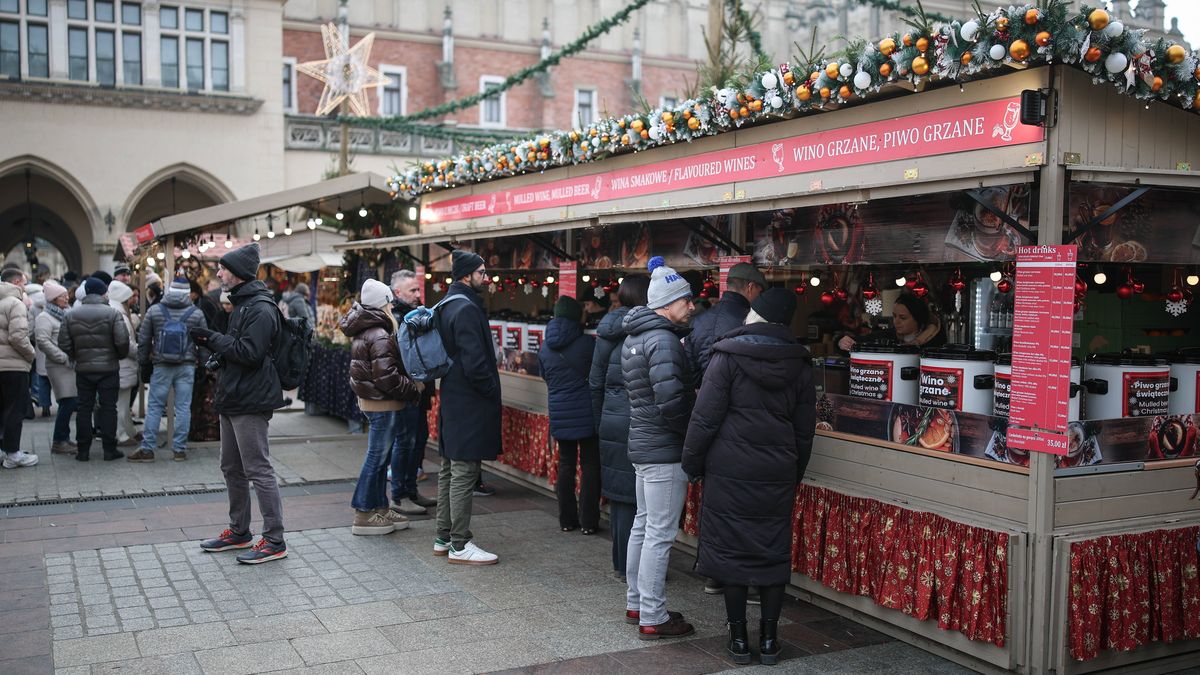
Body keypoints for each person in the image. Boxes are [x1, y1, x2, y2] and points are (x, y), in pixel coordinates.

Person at [682, 288, 816, 665]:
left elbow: (704, 418)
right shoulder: (801, 363)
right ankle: (771, 641)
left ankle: (739, 640)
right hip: (776, 471)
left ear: (753, 314)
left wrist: (692, 463)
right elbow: (805, 431)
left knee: (732, 554)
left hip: (729, 469)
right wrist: (794, 474)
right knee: (772, 553)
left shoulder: (726, 357)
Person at [191, 243, 289, 564]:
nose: (218, 273)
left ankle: (274, 539)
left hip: (251, 398)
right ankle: (239, 531)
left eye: (223, 268)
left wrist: (210, 339)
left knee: (257, 469)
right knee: (231, 467)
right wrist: (218, 356)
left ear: (239, 274)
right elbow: (237, 348)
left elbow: (249, 352)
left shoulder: (260, 307)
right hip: (233, 396)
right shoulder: (242, 305)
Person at [621, 256, 696, 639]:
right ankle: (653, 614)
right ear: (668, 303)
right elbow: (671, 401)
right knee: (660, 533)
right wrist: (691, 435)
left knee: (643, 525)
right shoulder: (663, 339)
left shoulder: (635, 337)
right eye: (687, 299)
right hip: (664, 449)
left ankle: (637, 603)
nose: (692, 305)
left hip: (643, 444)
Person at [433, 250, 502, 565]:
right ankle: (460, 545)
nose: (485, 278)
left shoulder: (446, 305)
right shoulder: (467, 309)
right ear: (466, 274)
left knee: (449, 467)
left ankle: (443, 536)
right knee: (463, 470)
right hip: (470, 401)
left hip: (451, 396)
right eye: (481, 273)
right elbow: (475, 364)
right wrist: (490, 389)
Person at [341, 278, 423, 535]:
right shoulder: (379, 332)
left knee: (380, 456)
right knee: (376, 458)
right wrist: (413, 388)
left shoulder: (369, 328)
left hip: (375, 401)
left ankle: (378, 506)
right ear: (384, 304)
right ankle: (364, 511)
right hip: (382, 403)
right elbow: (386, 377)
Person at [589, 275, 650, 581]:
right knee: (641, 497)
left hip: (612, 421)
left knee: (620, 497)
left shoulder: (606, 331)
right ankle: (637, 567)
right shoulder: (650, 331)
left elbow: (595, 381)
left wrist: (602, 421)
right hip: (640, 422)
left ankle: (621, 564)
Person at [538, 295, 599, 534]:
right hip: (586, 414)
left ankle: (566, 520)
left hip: (560, 412)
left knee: (565, 465)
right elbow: (596, 376)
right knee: (591, 465)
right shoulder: (586, 344)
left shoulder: (545, 346)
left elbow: (545, 376)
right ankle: (589, 522)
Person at [131, 278, 208, 463]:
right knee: (183, 407)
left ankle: (148, 449)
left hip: (161, 365)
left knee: (155, 407)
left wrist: (144, 364)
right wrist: (204, 365)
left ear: (169, 291)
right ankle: (179, 450)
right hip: (186, 365)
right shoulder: (196, 313)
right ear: (187, 293)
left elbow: (143, 339)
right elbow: (205, 341)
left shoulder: (155, 311)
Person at [58, 277, 129, 462]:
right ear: (102, 292)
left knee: (84, 408)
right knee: (108, 408)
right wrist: (117, 355)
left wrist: (77, 354)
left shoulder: (71, 314)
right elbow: (123, 342)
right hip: (108, 369)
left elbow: (63, 342)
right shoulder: (113, 314)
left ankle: (83, 451)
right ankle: (109, 449)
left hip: (83, 369)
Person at [388, 270, 437, 516]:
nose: (418, 294)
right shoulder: (394, 317)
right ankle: (399, 495)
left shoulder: (416, 314)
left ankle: (411, 489)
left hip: (421, 388)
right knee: (404, 442)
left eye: (419, 290)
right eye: (413, 291)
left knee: (419, 439)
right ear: (398, 293)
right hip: (406, 390)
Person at [685, 262, 766, 386]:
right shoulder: (751, 322)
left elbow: (691, 372)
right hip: (738, 400)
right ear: (750, 287)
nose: (759, 297)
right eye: (759, 292)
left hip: (704, 399)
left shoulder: (697, 321)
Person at [1, 268, 38, 468]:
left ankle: (2, 450)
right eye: (24, 283)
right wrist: (31, 354)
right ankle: (13, 454)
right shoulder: (15, 303)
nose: (25, 287)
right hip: (13, 366)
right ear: (16, 283)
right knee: (14, 410)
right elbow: (18, 337)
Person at [36, 281, 77, 455]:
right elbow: (43, 341)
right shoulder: (44, 317)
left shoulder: (66, 313)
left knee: (69, 401)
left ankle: (64, 438)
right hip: (58, 365)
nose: (67, 297)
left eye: (66, 294)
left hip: (69, 364)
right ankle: (59, 440)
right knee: (67, 401)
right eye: (62, 296)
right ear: (53, 299)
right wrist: (62, 357)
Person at [837, 292, 946, 352]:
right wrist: (842, 342)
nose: (896, 321)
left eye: (903, 318)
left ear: (918, 319)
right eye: (894, 316)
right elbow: (859, 341)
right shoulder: (887, 336)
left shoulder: (934, 342)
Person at [107, 280, 140, 448]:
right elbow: (126, 344)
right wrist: (139, 351)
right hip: (123, 365)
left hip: (118, 364)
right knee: (121, 403)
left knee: (122, 403)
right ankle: (120, 434)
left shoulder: (112, 311)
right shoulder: (120, 315)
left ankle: (128, 430)